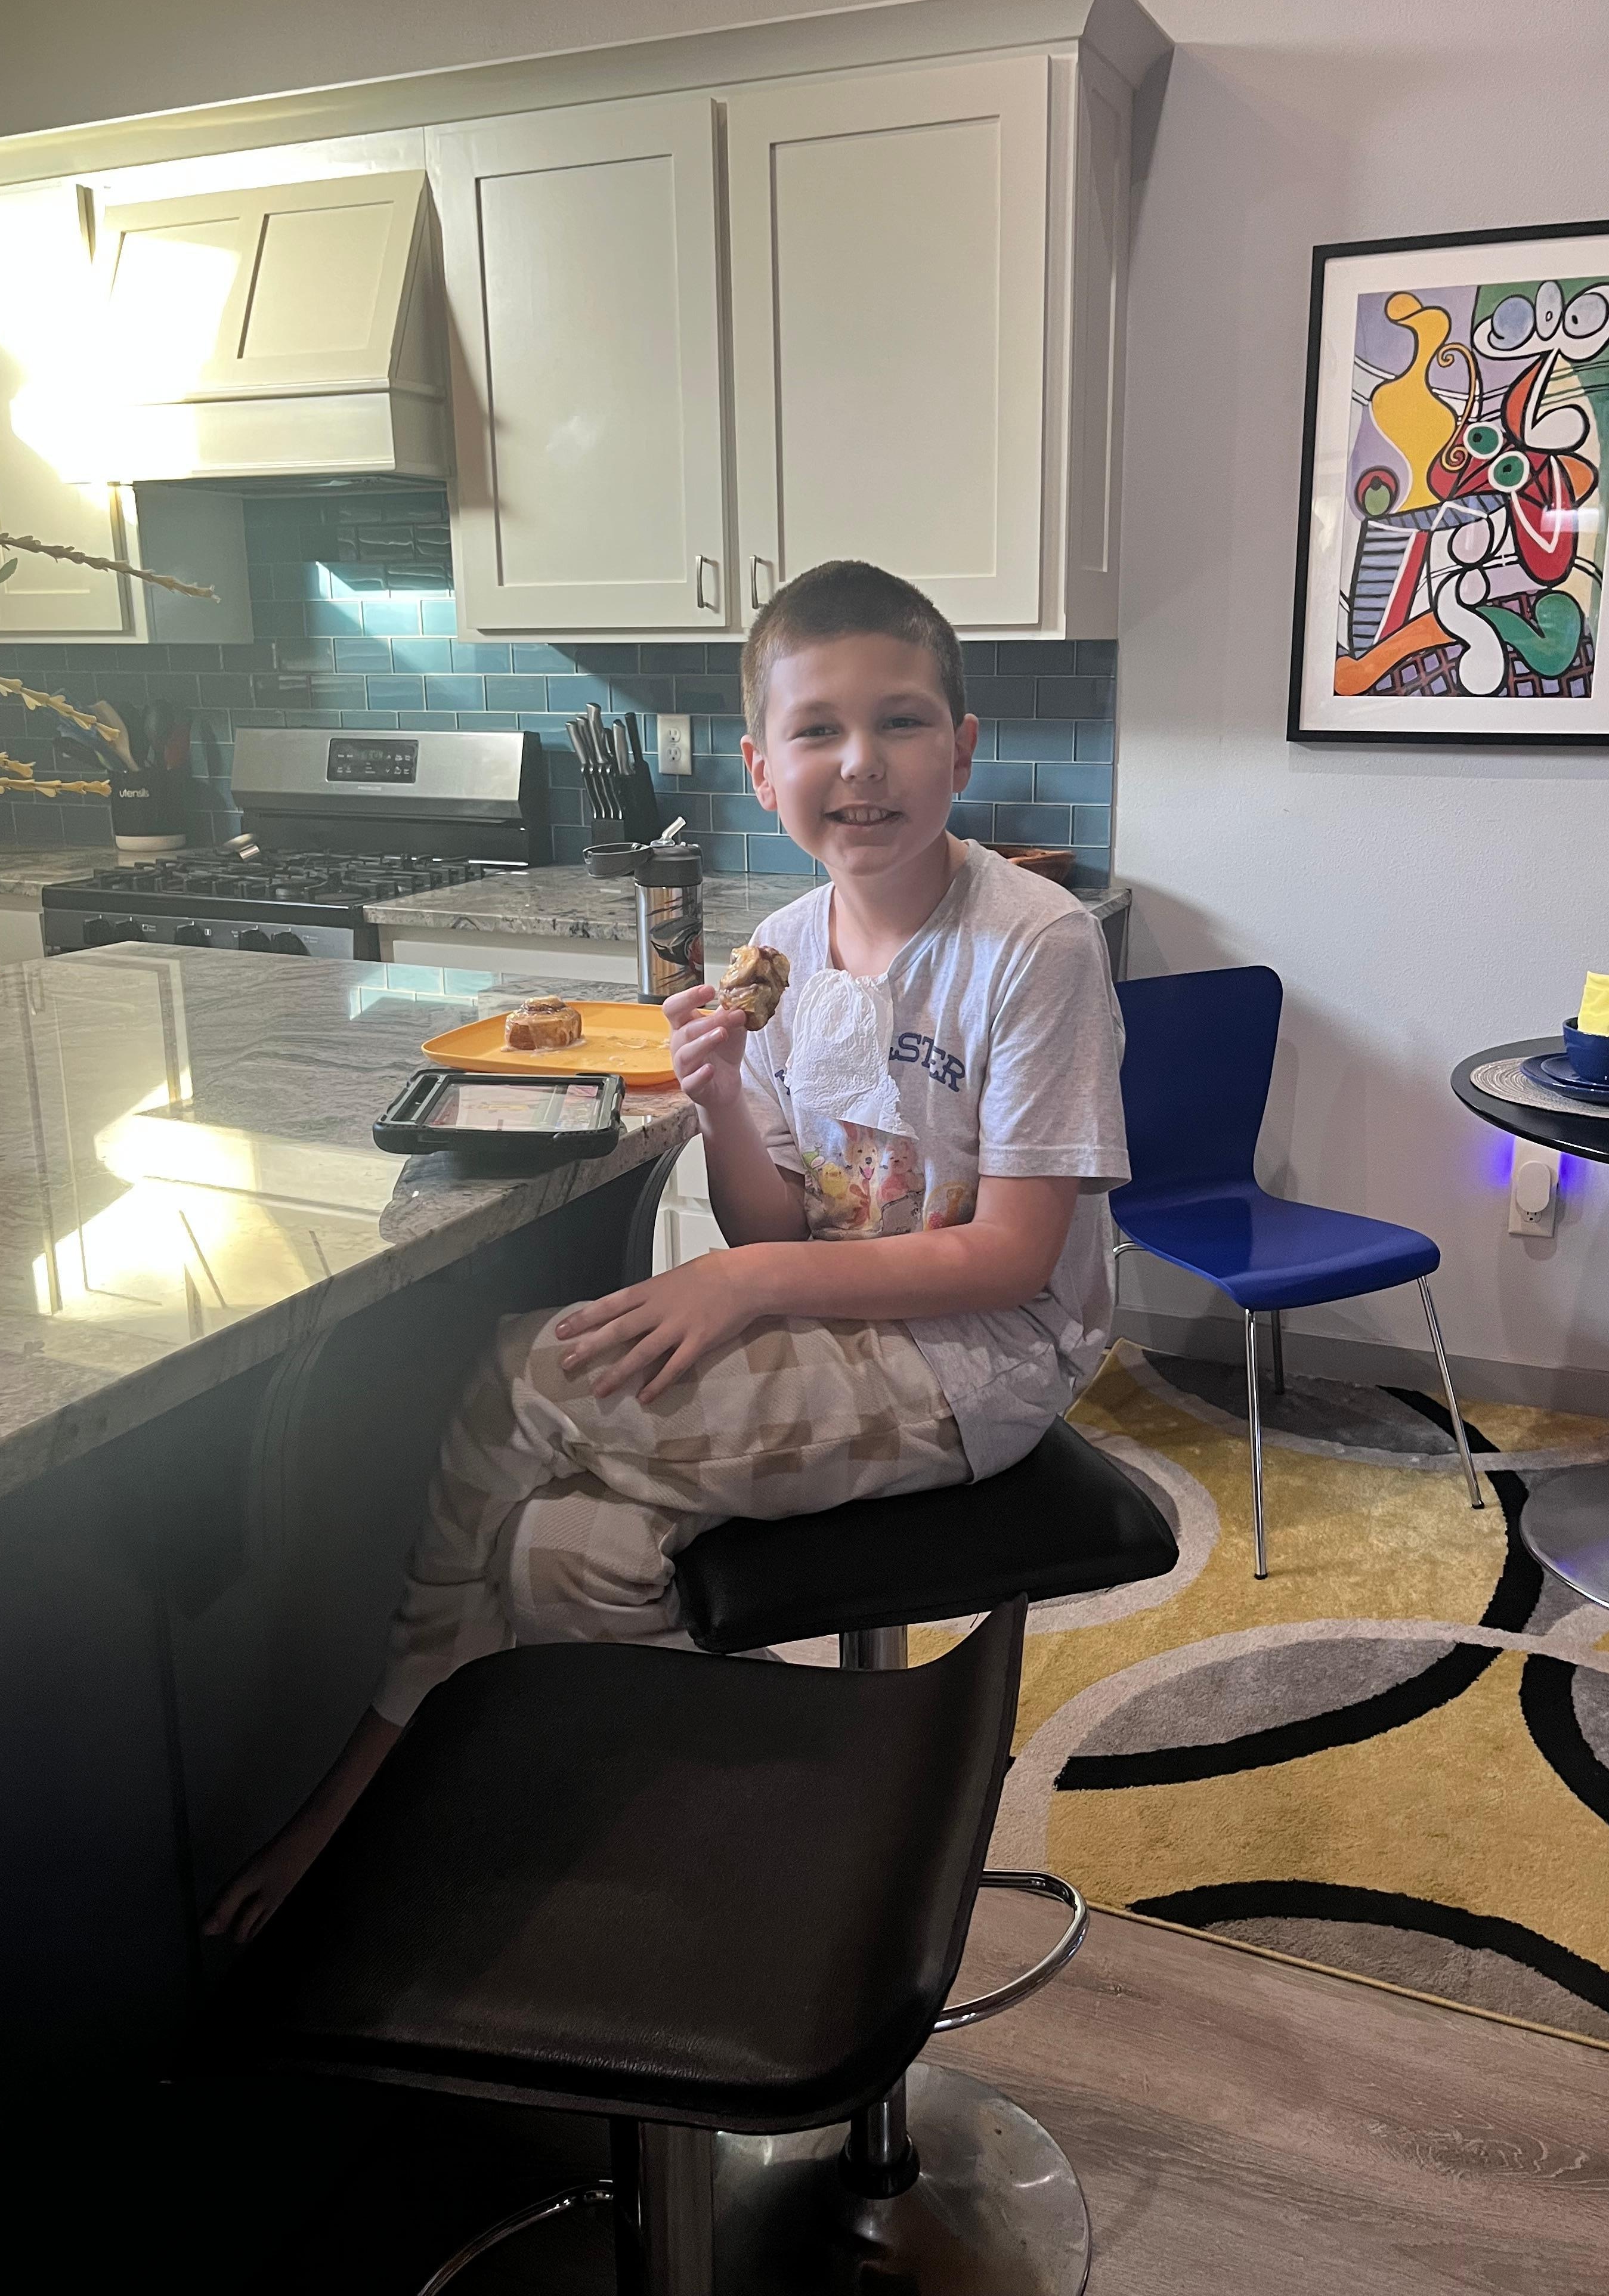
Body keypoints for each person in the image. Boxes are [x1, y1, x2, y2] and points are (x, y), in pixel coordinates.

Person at [205, 558, 1128, 1944]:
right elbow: (779, 1220)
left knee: (526, 1374)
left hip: (977, 1360)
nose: (861, 764)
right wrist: (717, 1099)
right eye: (818, 730)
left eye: (903, 722)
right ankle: (674, 1884)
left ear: (966, 747)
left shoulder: (1031, 943)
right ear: (763, 769)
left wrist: (743, 1281)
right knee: (564, 1554)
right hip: (845, 1325)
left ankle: (376, 1761)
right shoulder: (782, 946)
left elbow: (1007, 1258)